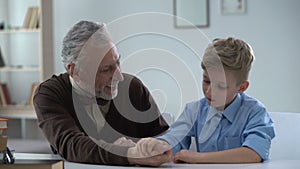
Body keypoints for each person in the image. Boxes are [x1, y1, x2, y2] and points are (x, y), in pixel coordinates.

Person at [33, 20, 171, 166]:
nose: (120, 77)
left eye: (118, 62)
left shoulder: (133, 88)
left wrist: (158, 147)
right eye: (106, 69)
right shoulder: (49, 94)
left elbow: (164, 137)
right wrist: (130, 153)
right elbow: (71, 145)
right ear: (74, 70)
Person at [136, 37, 275, 163]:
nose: (209, 92)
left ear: (242, 87)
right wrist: (157, 145)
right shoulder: (194, 110)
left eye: (221, 86)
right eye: (207, 81)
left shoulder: (255, 112)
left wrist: (198, 157)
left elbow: (253, 154)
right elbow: (174, 140)